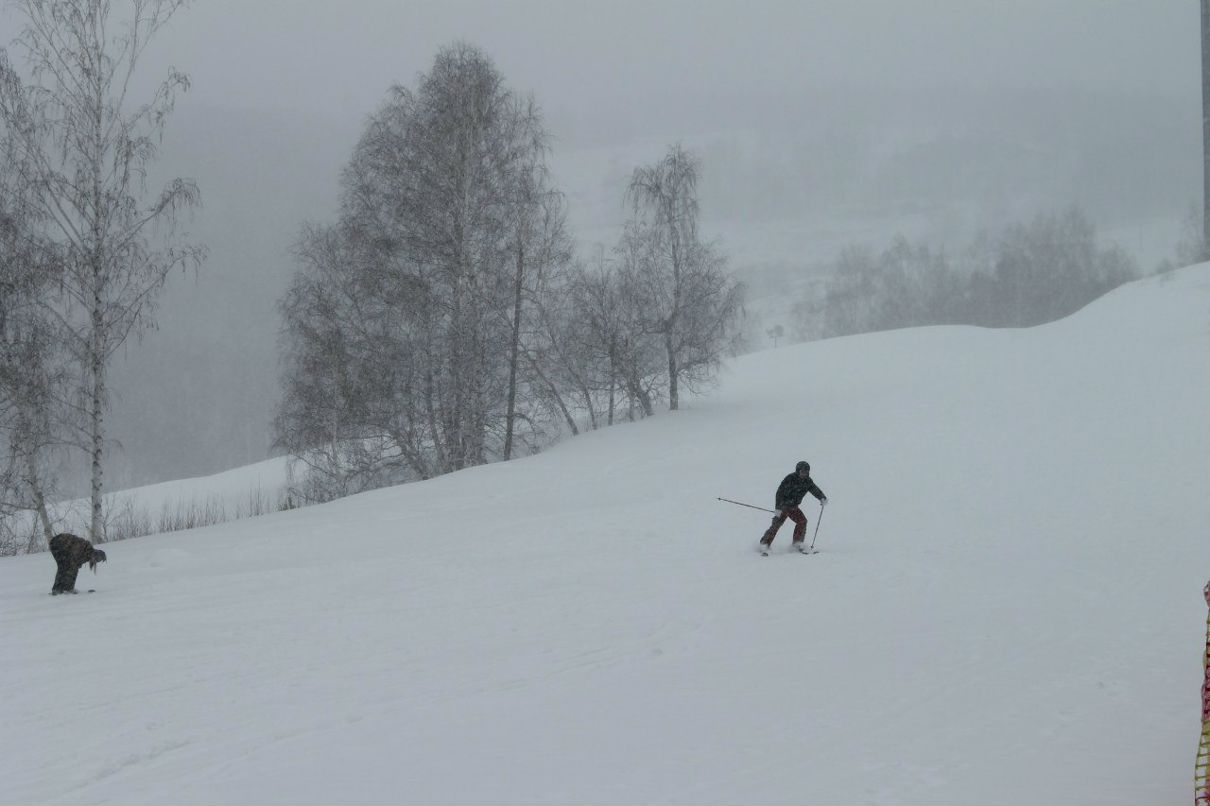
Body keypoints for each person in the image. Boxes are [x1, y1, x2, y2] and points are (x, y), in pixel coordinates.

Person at [758, 460, 827, 554]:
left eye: (807, 472)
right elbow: (779, 493)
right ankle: (764, 544)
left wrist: (822, 497)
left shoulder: (808, 481)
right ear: (798, 471)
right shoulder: (790, 479)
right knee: (777, 524)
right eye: (803, 471)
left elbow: (814, 489)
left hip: (794, 507)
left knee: (802, 521)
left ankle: (797, 543)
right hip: (784, 506)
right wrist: (778, 508)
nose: (805, 474)